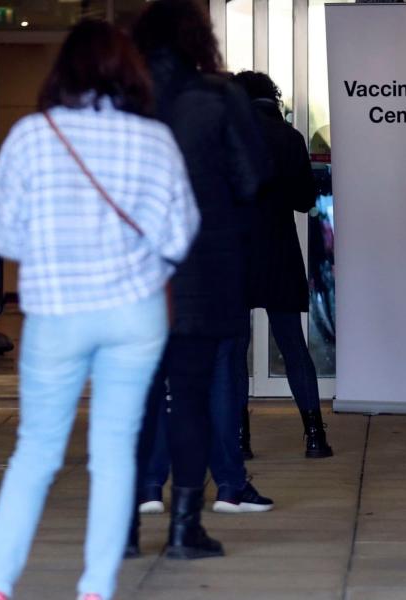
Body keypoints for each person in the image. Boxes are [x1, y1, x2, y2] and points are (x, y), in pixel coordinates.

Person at [0, 20, 200, 600]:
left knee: (35, 450)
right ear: (130, 72)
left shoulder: (33, 137)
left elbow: (2, 234)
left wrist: (53, 249)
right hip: (135, 314)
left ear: (63, 71)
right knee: (114, 451)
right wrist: (143, 271)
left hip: (58, 310)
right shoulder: (154, 139)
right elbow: (180, 232)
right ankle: (95, 588)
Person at [126, 0, 274, 561]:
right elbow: (250, 178)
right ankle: (186, 529)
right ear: (197, 41)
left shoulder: (123, 101)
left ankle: (124, 525)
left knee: (135, 401)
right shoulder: (218, 97)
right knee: (190, 396)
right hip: (205, 271)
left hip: (132, 275)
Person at [233, 70, 334, 459]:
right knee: (293, 345)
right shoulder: (290, 138)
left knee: (235, 350)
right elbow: (304, 199)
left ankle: (240, 441)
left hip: (237, 254)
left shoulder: (231, 136)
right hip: (278, 251)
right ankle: (314, 437)